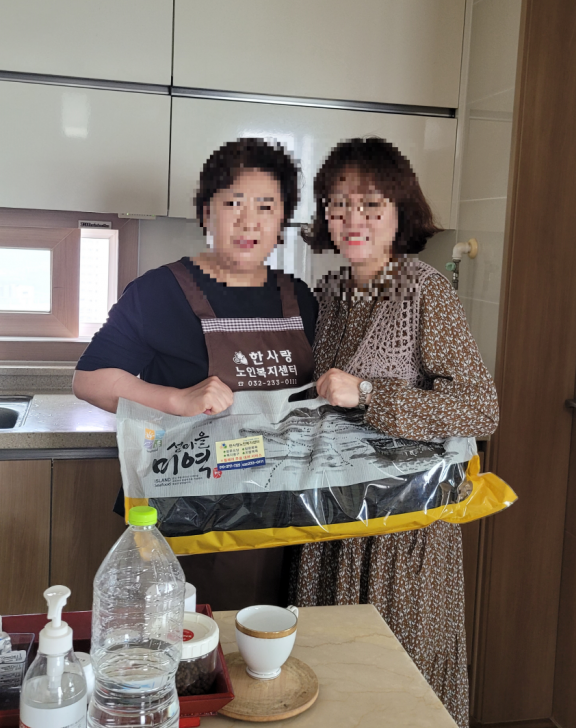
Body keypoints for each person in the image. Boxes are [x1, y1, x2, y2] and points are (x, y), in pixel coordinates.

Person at [288, 137, 499, 728]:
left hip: (401, 534)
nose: (353, 218)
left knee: (396, 688)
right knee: (328, 684)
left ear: (400, 211)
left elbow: (480, 409)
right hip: (332, 522)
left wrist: (370, 394)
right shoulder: (331, 292)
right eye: (339, 204)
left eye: (371, 204)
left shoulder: (425, 290)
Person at [73, 137, 318, 609]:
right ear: (207, 213)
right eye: (233, 203)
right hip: (184, 512)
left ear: (282, 221)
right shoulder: (158, 292)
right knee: (184, 638)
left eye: (266, 207)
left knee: (263, 641)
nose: (249, 221)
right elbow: (90, 379)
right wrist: (177, 400)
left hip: (279, 511)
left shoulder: (300, 298)